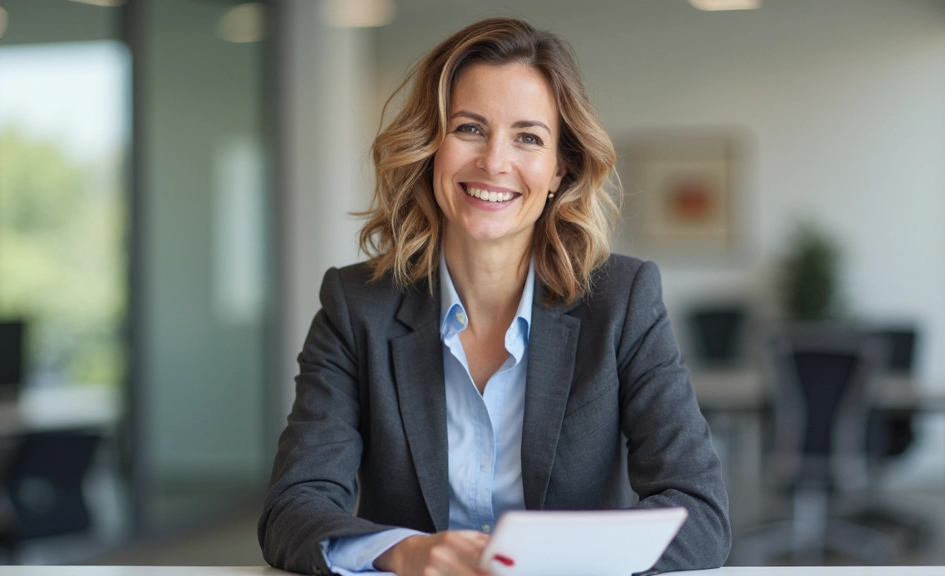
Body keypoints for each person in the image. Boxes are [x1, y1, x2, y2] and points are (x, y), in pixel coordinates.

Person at [259, 17, 731, 576]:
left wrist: (534, 565)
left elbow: (699, 516)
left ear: (559, 169)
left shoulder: (623, 301)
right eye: (469, 128)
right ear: (431, 145)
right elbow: (293, 509)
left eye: (528, 137)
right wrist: (406, 552)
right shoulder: (355, 304)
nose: (494, 161)